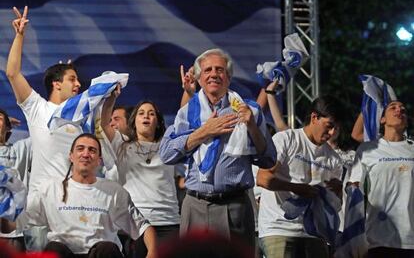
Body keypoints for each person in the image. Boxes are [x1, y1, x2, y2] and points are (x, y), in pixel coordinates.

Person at [159, 48, 276, 248]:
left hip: (235, 207)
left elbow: (269, 160)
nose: (214, 74)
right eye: (208, 70)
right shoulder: (187, 112)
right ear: (199, 78)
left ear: (228, 77)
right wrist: (204, 132)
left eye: (220, 70)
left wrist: (252, 127)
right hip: (195, 205)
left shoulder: (249, 111)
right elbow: (167, 154)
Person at [6, 6, 84, 250]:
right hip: (40, 207)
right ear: (56, 84)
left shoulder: (81, 119)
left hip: (74, 204)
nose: (79, 84)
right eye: (72, 79)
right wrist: (20, 36)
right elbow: (12, 72)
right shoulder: (37, 107)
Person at [25, 133, 157, 258]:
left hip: (101, 254)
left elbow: (143, 227)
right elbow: (20, 221)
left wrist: (153, 252)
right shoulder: (50, 188)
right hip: (65, 253)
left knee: (106, 249)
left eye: (92, 150)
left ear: (99, 160)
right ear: (71, 156)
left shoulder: (114, 191)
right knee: (53, 249)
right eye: (80, 149)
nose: (86, 154)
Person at [256, 95, 345, 258]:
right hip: (278, 229)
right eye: (329, 126)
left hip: (315, 233)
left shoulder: (334, 159)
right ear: (314, 117)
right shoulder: (286, 139)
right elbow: (262, 178)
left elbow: (335, 205)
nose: (331, 133)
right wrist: (296, 188)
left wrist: (337, 194)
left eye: (336, 128)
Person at [102, 93, 180, 256]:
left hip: (168, 222)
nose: (146, 116)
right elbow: (104, 124)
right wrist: (111, 99)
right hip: (135, 224)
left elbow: (182, 123)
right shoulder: (122, 146)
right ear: (134, 121)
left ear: (157, 123)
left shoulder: (167, 146)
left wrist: (187, 92)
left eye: (151, 114)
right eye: (141, 113)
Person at [348, 101, 414, 257]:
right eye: (393, 107)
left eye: (403, 109)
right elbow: (354, 188)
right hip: (378, 239)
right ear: (382, 119)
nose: (399, 110)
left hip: (411, 239)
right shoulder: (368, 149)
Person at [0, 108, 31, 251]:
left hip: (12, 234)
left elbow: (45, 133)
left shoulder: (20, 149)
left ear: (7, 127)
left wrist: (6, 123)